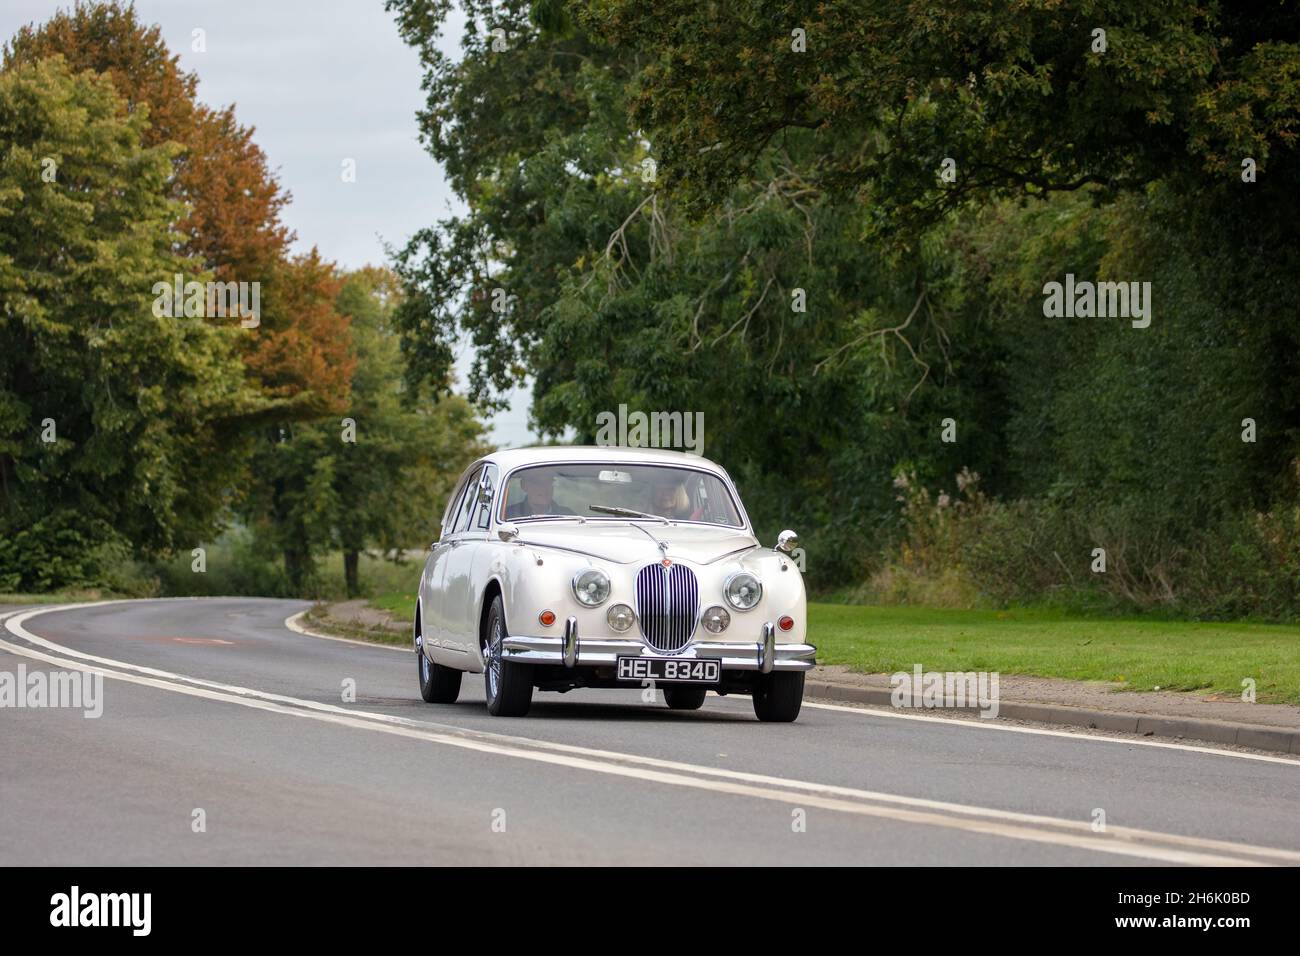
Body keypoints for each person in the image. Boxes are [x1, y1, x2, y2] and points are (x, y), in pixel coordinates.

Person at [505, 471, 574, 518]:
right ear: (524, 486)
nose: (543, 488)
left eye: (548, 482)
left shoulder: (567, 515)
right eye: (537, 482)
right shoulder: (509, 514)